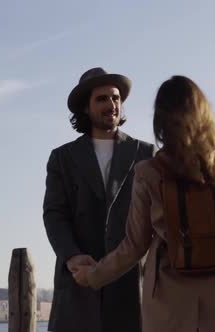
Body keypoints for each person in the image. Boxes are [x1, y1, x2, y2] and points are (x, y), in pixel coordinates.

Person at [73, 75, 215, 331]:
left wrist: (93, 276)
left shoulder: (150, 173)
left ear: (161, 120)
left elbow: (133, 246)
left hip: (170, 303)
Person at [43, 67, 155, 332]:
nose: (112, 105)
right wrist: (71, 256)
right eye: (102, 99)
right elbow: (54, 215)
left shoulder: (145, 153)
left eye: (116, 98)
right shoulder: (62, 158)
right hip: (78, 283)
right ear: (85, 107)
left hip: (130, 284)